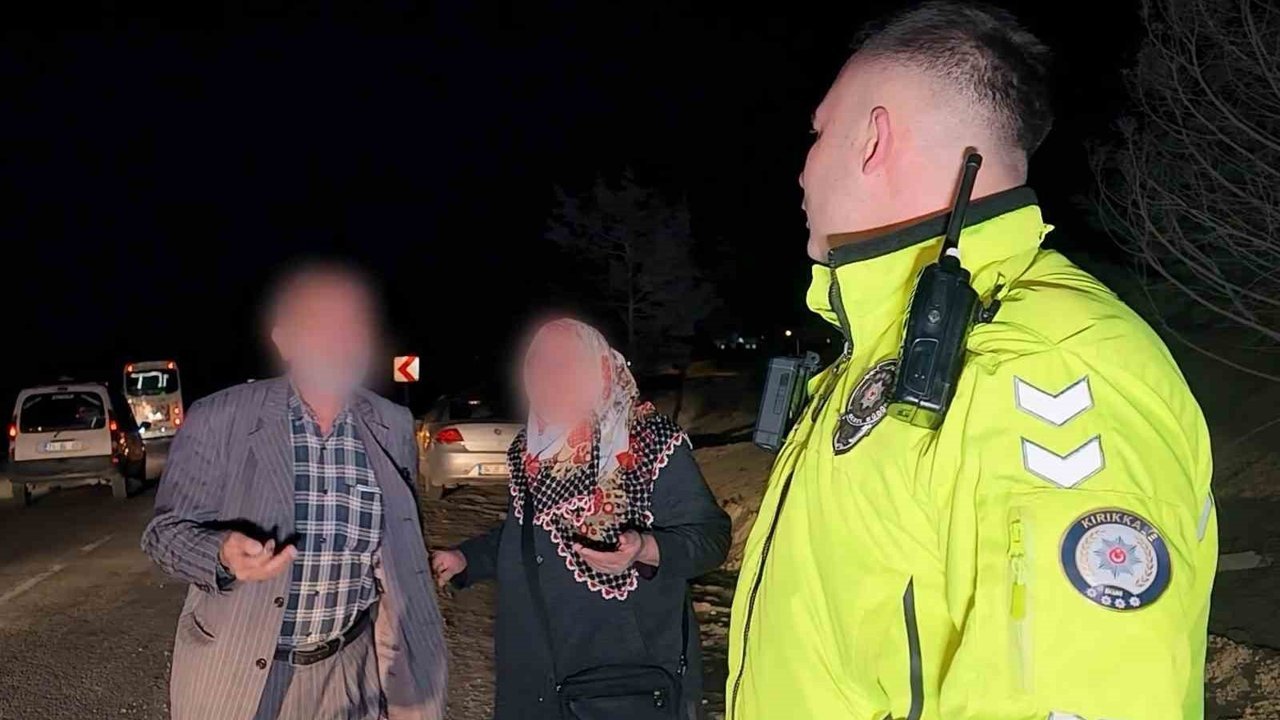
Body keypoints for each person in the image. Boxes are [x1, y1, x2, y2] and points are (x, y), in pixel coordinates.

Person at [727, 4, 1216, 720]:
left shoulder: (1044, 366)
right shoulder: (885, 350)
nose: (802, 170)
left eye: (818, 133)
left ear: (873, 139)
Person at [141, 262, 448, 720]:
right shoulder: (219, 417)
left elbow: (398, 549)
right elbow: (162, 535)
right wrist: (220, 553)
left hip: (349, 673)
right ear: (284, 341)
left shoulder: (392, 425)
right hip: (240, 673)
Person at [432, 318, 730, 720]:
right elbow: (528, 532)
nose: (549, 377)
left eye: (566, 364)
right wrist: (467, 558)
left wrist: (646, 548)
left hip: (625, 685)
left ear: (600, 370)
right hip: (535, 679)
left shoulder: (648, 440)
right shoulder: (528, 450)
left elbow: (711, 537)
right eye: (538, 364)